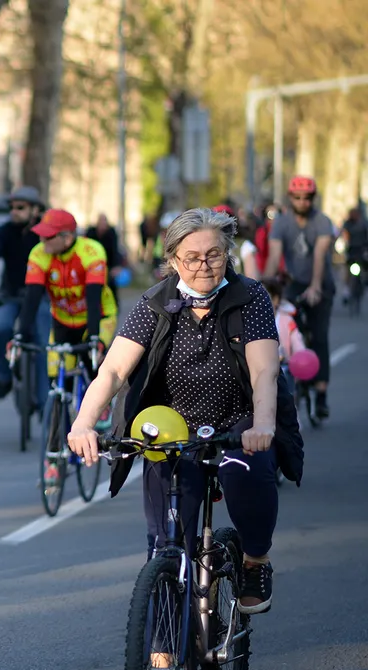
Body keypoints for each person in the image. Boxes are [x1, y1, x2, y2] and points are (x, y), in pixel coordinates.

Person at [68, 207, 303, 615]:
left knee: (244, 470)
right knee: (167, 543)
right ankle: (162, 641)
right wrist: (84, 423)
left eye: (214, 254)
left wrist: (263, 425)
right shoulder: (155, 303)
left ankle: (255, 560)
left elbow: (265, 369)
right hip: (173, 424)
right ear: (174, 260)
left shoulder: (251, 297)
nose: (203, 266)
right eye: (191, 257)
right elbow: (113, 371)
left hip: (238, 420)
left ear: (227, 253)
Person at [14, 209, 118, 395]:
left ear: (68, 238)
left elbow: (94, 299)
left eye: (48, 236)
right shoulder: (39, 254)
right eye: (41, 235)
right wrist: (20, 335)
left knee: (94, 370)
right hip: (62, 320)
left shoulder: (92, 251)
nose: (42, 241)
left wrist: (95, 338)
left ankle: (103, 409)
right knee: (56, 380)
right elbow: (32, 299)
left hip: (97, 318)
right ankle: (61, 415)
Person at [0, 186, 52, 399]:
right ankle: (4, 375)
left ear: (36, 210)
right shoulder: (5, 231)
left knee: (43, 340)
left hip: (40, 296)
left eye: (20, 207)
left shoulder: (45, 234)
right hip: (10, 293)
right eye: (11, 207)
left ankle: (46, 403)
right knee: (1, 328)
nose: (14, 211)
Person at [265, 175, 334, 419]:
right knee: (287, 324)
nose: (302, 202)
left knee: (320, 334)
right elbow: (274, 258)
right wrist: (265, 288)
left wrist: (315, 286)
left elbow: (319, 256)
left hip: (321, 283)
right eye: (297, 197)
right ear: (290, 198)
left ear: (313, 199)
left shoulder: (322, 222)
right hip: (294, 283)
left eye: (307, 198)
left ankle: (322, 393)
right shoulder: (282, 223)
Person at [85, 212, 125, 311]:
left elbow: (115, 250)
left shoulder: (111, 232)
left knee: (111, 283)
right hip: (93, 263)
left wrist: (117, 266)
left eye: (104, 222)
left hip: (108, 263)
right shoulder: (91, 232)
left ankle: (114, 305)